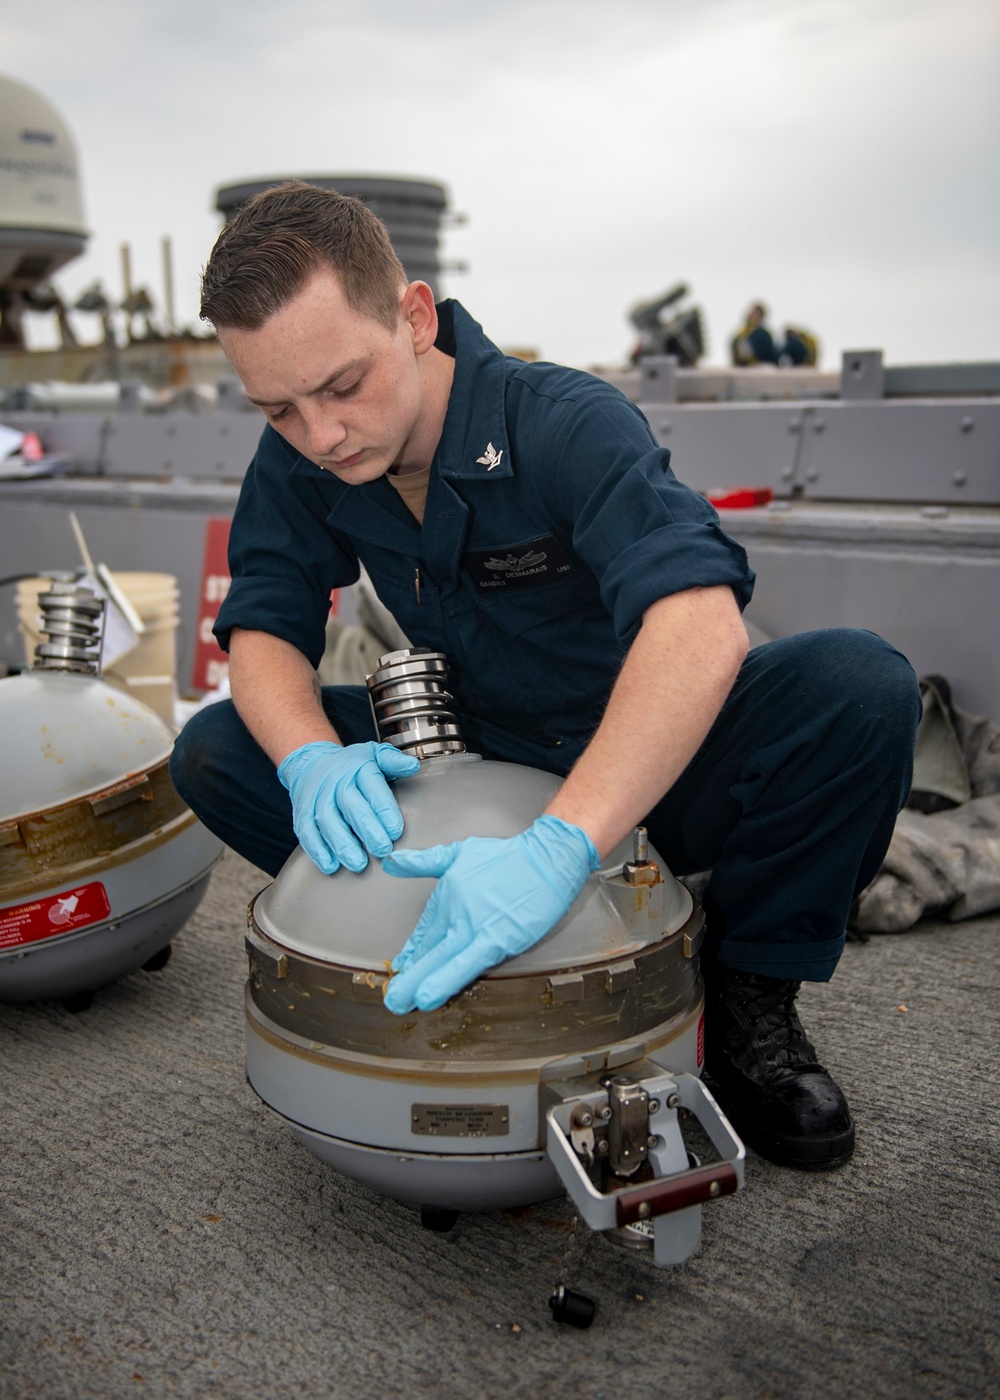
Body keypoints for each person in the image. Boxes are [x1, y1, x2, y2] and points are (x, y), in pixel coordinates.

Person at [171, 181, 920, 1172]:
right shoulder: (304, 453)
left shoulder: (561, 422)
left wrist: (563, 843)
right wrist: (310, 758)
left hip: (647, 765)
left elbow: (698, 622)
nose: (320, 435)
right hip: (475, 763)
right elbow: (263, 626)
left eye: (342, 387)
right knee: (220, 749)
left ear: (415, 317)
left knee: (859, 687)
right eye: (279, 406)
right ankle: (430, 923)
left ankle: (742, 993)